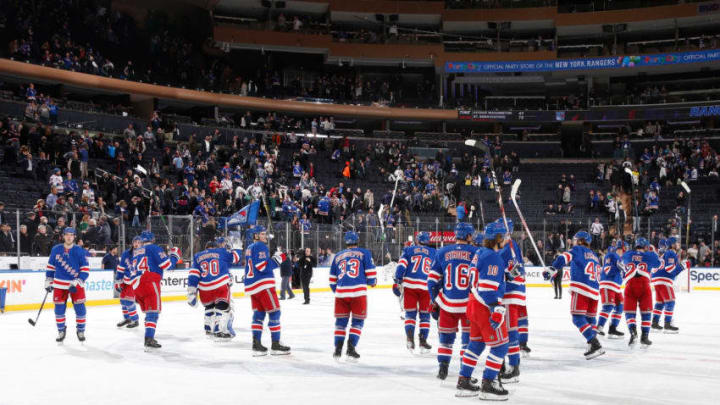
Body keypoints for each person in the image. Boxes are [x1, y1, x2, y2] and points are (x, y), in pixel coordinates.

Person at [455, 220, 509, 399]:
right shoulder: (493, 257)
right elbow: (487, 288)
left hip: (473, 305)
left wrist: (506, 273)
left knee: (476, 344)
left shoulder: (480, 252)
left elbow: (482, 279)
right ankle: (488, 383)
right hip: (485, 306)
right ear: (497, 238)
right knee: (500, 347)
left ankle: (464, 380)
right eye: (505, 236)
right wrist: (496, 308)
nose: (507, 239)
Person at [427, 222, 476, 381]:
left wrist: (435, 300)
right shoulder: (477, 252)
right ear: (468, 236)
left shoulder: (442, 251)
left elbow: (432, 281)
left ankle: (443, 369)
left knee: (445, 340)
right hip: (469, 304)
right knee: (467, 341)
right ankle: (465, 374)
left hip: (447, 304)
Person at [547, 231, 605, 360]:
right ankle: (592, 344)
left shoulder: (577, 249)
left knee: (577, 318)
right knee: (590, 320)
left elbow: (563, 258)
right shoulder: (595, 255)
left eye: (575, 239)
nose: (573, 242)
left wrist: (553, 268)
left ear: (580, 241)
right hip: (595, 291)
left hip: (581, 288)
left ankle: (595, 343)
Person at [329, 231, 376, 361]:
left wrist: (339, 290)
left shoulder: (338, 256)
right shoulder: (364, 253)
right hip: (358, 294)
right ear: (357, 241)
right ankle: (351, 349)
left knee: (340, 323)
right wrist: (372, 282)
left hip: (341, 294)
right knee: (357, 322)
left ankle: (337, 350)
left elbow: (332, 280)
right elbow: (371, 275)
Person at [130, 231, 181, 350]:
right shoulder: (154, 248)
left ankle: (149, 337)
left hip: (136, 285)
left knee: (149, 312)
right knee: (153, 312)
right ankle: (149, 338)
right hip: (149, 280)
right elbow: (167, 265)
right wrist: (174, 256)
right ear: (152, 240)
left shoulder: (136, 251)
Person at [244, 225, 290, 356]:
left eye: (265, 234)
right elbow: (263, 266)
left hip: (253, 286)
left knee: (259, 314)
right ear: (256, 235)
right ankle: (275, 344)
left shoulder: (249, 247)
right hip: (263, 285)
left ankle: (256, 344)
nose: (265, 236)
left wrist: (275, 257)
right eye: (262, 234)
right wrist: (279, 258)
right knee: (275, 312)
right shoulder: (259, 246)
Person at [188, 237, 242, 340]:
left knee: (209, 306)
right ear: (215, 247)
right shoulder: (221, 252)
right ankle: (219, 331)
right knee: (223, 307)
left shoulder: (197, 256)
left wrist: (191, 292)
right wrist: (238, 247)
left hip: (204, 289)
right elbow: (236, 258)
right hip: (219, 285)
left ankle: (208, 328)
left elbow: (193, 274)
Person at [44, 227, 90, 343]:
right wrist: (48, 280)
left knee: (80, 309)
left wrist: (78, 281)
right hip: (59, 285)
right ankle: (61, 330)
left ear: (74, 236)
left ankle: (80, 330)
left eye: (71, 235)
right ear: (63, 236)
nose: (69, 237)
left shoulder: (80, 250)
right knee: (59, 310)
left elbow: (85, 269)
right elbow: (51, 266)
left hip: (76, 285)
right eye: (67, 234)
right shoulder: (55, 249)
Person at [394, 231, 435, 353]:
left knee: (410, 315)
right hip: (426, 287)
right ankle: (423, 341)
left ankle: (410, 340)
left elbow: (401, 266)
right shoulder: (434, 252)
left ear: (417, 240)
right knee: (425, 316)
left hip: (410, 286)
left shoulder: (409, 250)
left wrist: (398, 280)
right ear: (428, 241)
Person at [498, 219, 528, 384]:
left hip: (510, 294)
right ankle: (505, 363)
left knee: (510, 331)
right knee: (508, 330)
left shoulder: (506, 248)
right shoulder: (511, 246)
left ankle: (514, 366)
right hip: (516, 294)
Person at [620, 237, 661, 346]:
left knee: (629, 312)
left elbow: (622, 262)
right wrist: (654, 252)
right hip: (644, 285)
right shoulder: (650, 255)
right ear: (646, 247)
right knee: (646, 313)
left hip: (630, 285)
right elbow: (658, 264)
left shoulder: (627, 254)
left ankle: (633, 332)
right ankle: (644, 337)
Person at [651, 237, 686, 333]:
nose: (678, 244)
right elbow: (670, 269)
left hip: (657, 279)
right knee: (670, 301)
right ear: (672, 244)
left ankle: (654, 323)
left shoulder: (665, 254)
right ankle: (667, 324)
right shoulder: (671, 253)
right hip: (664, 280)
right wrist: (681, 267)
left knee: (660, 303)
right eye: (676, 243)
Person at [597, 240, 625, 339]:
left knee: (620, 306)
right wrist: (619, 268)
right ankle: (598, 328)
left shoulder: (620, 258)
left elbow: (622, 273)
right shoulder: (611, 255)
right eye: (623, 249)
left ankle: (612, 328)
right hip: (608, 284)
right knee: (608, 306)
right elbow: (608, 270)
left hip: (616, 286)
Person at [114, 237, 141, 328]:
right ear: (132, 243)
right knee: (122, 300)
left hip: (135, 281)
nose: (136, 244)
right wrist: (118, 280)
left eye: (138, 242)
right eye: (135, 242)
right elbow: (121, 267)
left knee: (129, 301)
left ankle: (135, 319)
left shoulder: (143, 255)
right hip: (125, 281)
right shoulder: (126, 253)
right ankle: (127, 318)